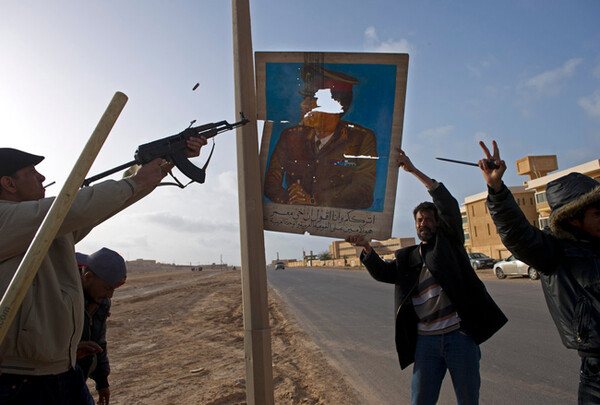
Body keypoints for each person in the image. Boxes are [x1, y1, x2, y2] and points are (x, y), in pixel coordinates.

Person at [0, 137, 205, 404]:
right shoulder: (15, 221)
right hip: (21, 382)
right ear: (8, 183)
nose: (42, 178)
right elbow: (76, 206)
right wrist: (136, 181)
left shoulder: (49, 225)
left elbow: (103, 204)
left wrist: (167, 159)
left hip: (63, 369)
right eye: (31, 172)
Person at [346, 148, 507, 405]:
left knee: (468, 399)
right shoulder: (407, 257)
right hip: (426, 344)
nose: (424, 224)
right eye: (420, 220)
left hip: (459, 339)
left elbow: (449, 207)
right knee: (421, 399)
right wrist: (366, 248)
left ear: (438, 223)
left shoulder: (449, 244)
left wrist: (413, 171)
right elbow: (384, 273)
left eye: (429, 220)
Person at [478, 140, 600, 404]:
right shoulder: (555, 253)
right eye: (597, 214)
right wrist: (496, 189)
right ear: (573, 219)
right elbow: (518, 234)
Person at [263, 62, 377, 209]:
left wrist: (313, 200)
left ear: (334, 106)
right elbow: (270, 184)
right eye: (305, 98)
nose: (303, 105)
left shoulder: (361, 139)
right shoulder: (290, 137)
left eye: (312, 100)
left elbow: (364, 194)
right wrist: (290, 199)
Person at [75, 247, 128, 405]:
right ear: (87, 277)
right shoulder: (64, 298)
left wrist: (102, 381)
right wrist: (69, 351)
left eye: (113, 289)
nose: (110, 295)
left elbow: (99, 342)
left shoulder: (101, 301)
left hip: (77, 377)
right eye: (107, 288)